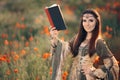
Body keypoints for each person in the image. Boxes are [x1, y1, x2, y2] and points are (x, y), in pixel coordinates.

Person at [49, 9, 119, 80]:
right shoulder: (78, 38)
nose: (87, 24)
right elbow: (66, 48)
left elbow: (110, 63)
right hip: (74, 76)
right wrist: (54, 37)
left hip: (88, 77)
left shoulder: (98, 42)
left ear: (97, 22)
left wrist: (94, 72)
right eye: (84, 20)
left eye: (91, 20)